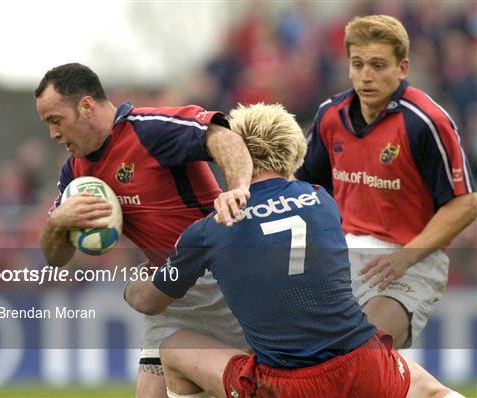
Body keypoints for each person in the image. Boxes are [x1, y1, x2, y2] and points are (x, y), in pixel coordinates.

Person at [125, 103, 461, 398]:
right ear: (293, 150)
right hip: (363, 364)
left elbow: (149, 301)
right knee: (428, 388)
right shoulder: (322, 200)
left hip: (283, 385)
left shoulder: (210, 229)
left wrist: (134, 283)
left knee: (173, 347)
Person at [34, 63, 253, 397]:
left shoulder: (150, 130)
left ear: (86, 106)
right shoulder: (75, 172)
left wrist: (236, 189)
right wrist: (57, 223)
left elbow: (224, 137)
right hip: (167, 293)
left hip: (225, 283)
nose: (53, 134)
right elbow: (55, 258)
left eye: (55, 120)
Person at [295, 15, 477, 348]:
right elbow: (303, 189)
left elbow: (466, 202)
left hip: (411, 260)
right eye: (358, 64)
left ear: (402, 68)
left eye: (378, 65)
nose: (366, 76)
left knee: (366, 349)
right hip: (345, 258)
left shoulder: (425, 121)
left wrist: (405, 257)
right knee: (295, 355)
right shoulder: (330, 117)